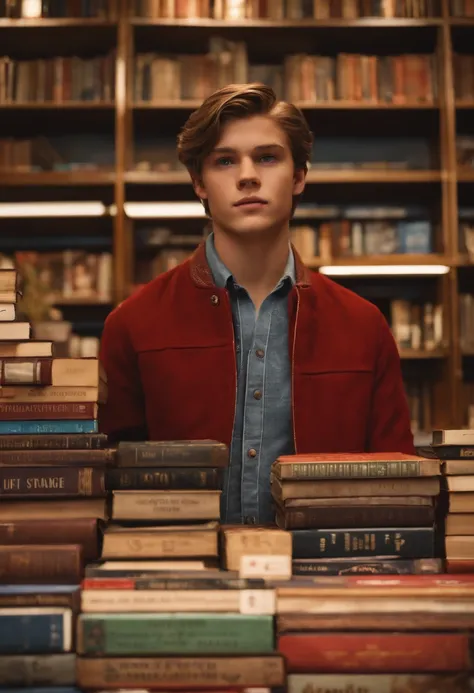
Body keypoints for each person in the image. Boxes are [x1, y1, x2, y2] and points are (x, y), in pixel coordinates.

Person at [99, 83, 415, 525]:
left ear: (299, 175)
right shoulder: (133, 324)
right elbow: (108, 488)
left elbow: (401, 491)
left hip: (324, 576)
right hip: (180, 580)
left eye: (267, 157)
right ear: (199, 183)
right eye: (224, 161)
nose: (247, 175)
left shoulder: (363, 326)